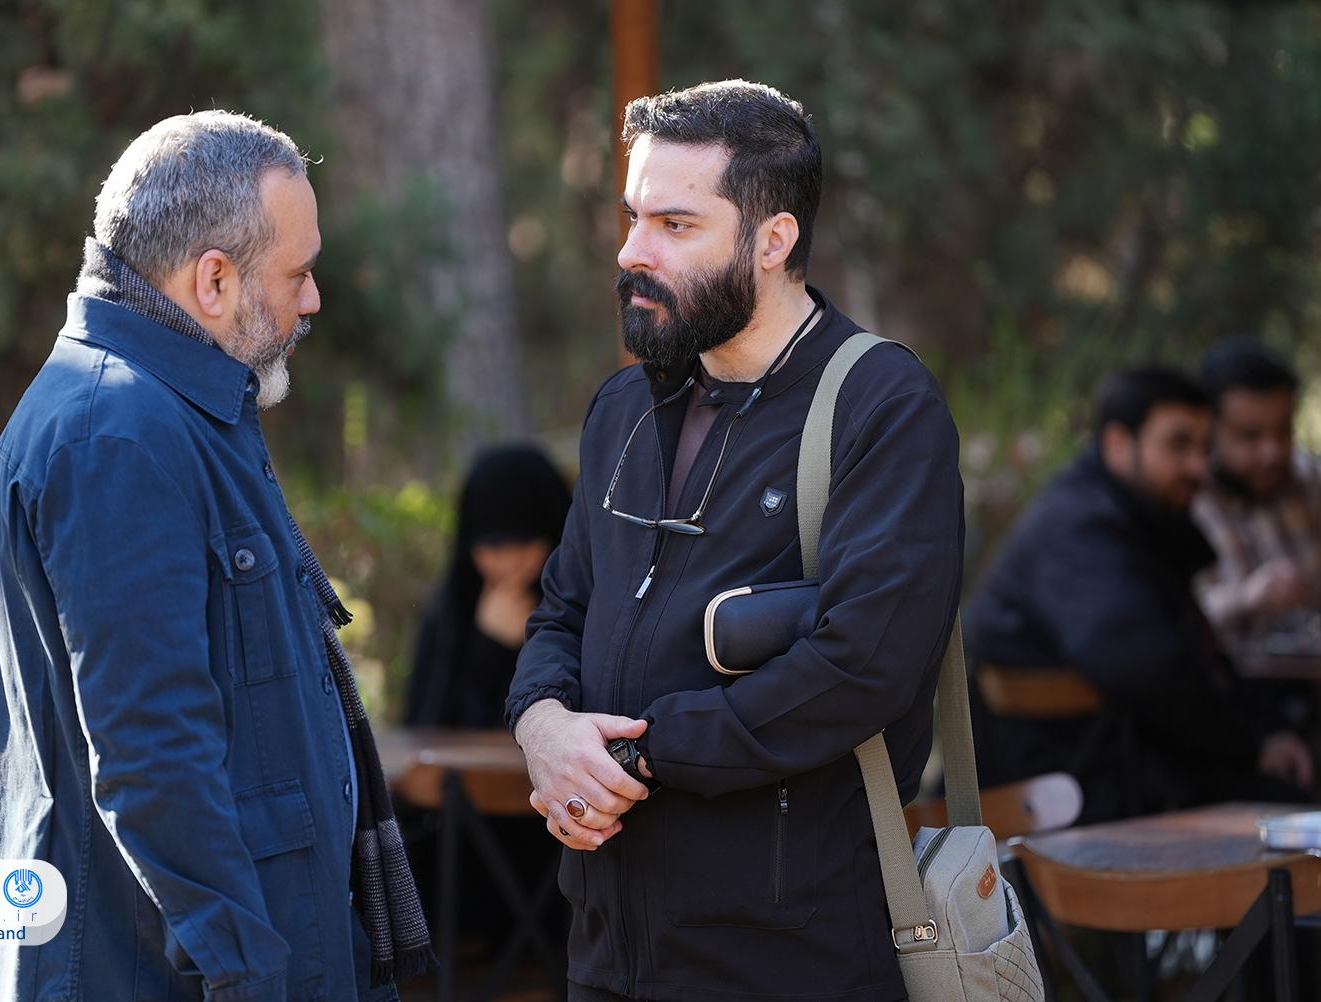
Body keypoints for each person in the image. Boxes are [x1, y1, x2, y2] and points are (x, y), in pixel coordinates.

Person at [507, 80, 964, 1002]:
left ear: (772, 240)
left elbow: (863, 667)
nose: (633, 252)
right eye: (633, 217)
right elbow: (562, 611)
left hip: (789, 957)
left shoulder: (881, 405)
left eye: (676, 225)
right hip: (605, 952)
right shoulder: (622, 408)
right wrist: (543, 726)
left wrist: (642, 755)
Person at [0, 111, 430, 1002]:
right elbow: (153, 753)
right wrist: (249, 975)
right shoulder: (116, 432)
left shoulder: (159, 411)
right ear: (212, 279)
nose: (312, 300)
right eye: (297, 274)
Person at [964, 367, 1313, 822]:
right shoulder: (1080, 526)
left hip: (1120, 774)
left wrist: (1265, 732)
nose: (1197, 466)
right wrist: (1254, 746)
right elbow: (1149, 669)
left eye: (1204, 448)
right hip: (1071, 799)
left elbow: (1188, 654)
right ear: (1117, 444)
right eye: (1178, 445)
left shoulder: (1134, 518)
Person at [407, 444, 571, 727]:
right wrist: (486, 648)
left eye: (524, 544)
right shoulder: (452, 607)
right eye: (493, 546)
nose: (509, 563)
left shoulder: (578, 599)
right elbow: (428, 721)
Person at [1193, 340, 1321, 671]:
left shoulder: (1311, 482)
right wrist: (1245, 597)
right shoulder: (1184, 499)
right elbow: (1166, 620)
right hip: (1229, 687)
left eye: (1283, 431)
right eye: (1249, 436)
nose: (1271, 452)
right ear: (1208, 428)